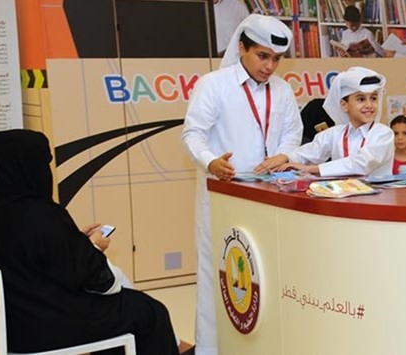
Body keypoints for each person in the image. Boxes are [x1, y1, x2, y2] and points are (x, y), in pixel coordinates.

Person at [0, 129, 188, 355]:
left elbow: (33, 260)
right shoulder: (42, 215)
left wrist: (75, 243)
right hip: (47, 327)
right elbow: (101, 282)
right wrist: (93, 247)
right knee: (148, 311)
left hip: (10, 327)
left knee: (116, 311)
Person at [181, 14, 302, 355]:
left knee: (266, 275)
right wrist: (211, 162)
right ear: (242, 48)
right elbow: (192, 134)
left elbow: (293, 133)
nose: (270, 66)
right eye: (262, 56)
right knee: (219, 275)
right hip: (223, 195)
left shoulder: (283, 90)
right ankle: (211, 349)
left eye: (276, 59)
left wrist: (282, 155)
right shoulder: (214, 84)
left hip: (270, 195)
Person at [273, 66, 394, 177]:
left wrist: (313, 169)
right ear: (344, 105)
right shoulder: (334, 134)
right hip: (343, 197)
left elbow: (362, 163)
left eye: (373, 98)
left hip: (375, 199)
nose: (369, 105)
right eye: (361, 99)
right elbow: (308, 153)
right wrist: (285, 158)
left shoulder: (383, 134)